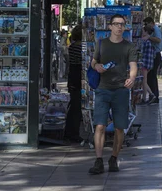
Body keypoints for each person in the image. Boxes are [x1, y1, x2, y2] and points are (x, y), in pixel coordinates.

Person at [88, 14, 138, 174]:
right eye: (116, 24)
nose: (119, 27)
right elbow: (93, 61)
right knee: (100, 126)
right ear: (109, 26)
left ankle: (114, 158)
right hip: (103, 89)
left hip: (121, 91)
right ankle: (98, 160)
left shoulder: (129, 46)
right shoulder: (101, 43)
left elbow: (133, 65)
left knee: (119, 128)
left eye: (122, 24)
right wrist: (97, 66)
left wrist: (132, 78)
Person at [65, 25, 82, 142]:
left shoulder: (72, 47)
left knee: (74, 105)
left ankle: (70, 130)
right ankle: (73, 132)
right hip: (77, 78)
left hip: (72, 78)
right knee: (76, 106)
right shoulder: (80, 48)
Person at [143, 17, 162, 104]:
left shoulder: (156, 30)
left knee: (152, 76)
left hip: (155, 54)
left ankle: (155, 96)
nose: (145, 26)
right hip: (152, 55)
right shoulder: (153, 30)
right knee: (149, 77)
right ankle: (152, 96)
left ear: (151, 23)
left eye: (146, 24)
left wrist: (148, 37)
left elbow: (158, 40)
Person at [137, 21, 156, 104]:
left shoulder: (144, 41)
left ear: (146, 32)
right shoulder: (150, 41)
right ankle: (144, 98)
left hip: (144, 63)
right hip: (149, 63)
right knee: (144, 80)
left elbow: (140, 50)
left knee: (144, 81)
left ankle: (151, 95)